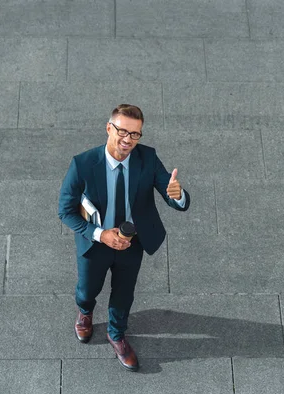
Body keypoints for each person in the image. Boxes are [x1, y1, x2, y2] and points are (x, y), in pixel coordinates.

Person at [58, 104, 190, 372]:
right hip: (95, 243)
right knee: (87, 289)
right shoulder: (82, 164)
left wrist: (177, 195)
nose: (127, 139)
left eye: (135, 134)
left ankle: (116, 334)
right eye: (122, 131)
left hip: (132, 243)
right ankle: (85, 314)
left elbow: (171, 193)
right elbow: (65, 210)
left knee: (124, 294)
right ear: (109, 128)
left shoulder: (148, 158)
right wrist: (100, 234)